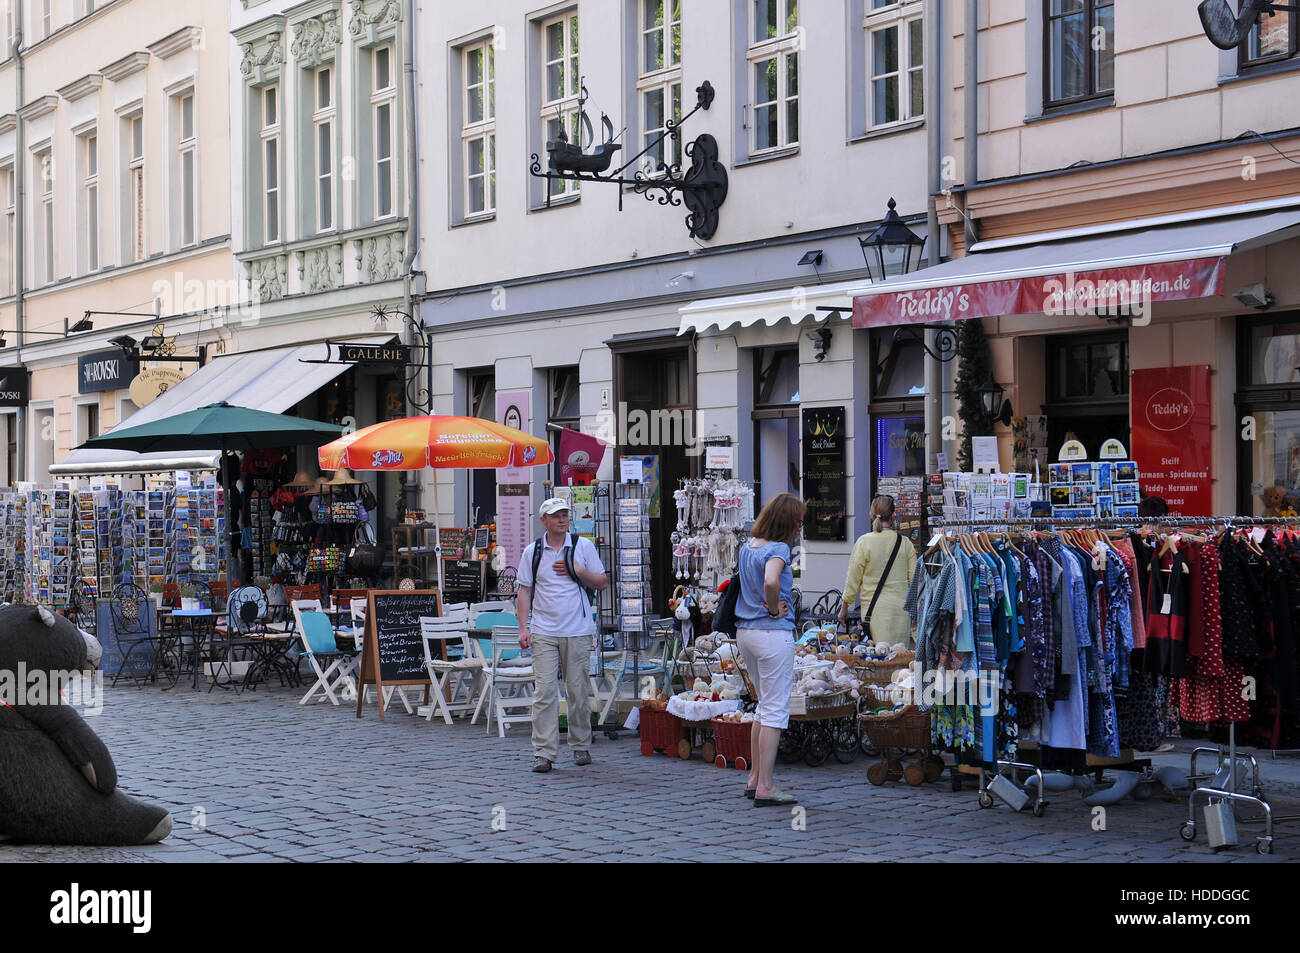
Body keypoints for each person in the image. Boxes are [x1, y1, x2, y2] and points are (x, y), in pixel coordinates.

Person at [517, 498, 609, 773]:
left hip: (578, 629)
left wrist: (578, 571)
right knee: (544, 692)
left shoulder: (583, 546)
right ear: (544, 520)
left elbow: (602, 582)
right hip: (544, 630)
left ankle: (580, 744)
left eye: (565, 514)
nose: (562, 519)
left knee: (577, 690)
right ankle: (543, 752)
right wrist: (523, 627)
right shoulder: (533, 552)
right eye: (556, 515)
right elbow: (524, 591)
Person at [734, 491, 804, 807]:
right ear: (786, 522)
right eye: (798, 522)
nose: (800, 528)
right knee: (775, 711)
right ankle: (766, 785)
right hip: (772, 633)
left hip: (745, 632)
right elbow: (771, 582)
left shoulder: (747, 547)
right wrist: (775, 609)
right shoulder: (778, 549)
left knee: (762, 707)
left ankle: (753, 778)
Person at [838, 495, 915, 647]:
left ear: (871, 515)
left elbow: (853, 578)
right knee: (899, 661)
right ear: (893, 515)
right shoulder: (906, 544)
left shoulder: (864, 542)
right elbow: (915, 581)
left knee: (876, 660)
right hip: (901, 612)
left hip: (873, 613)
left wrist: (844, 608)